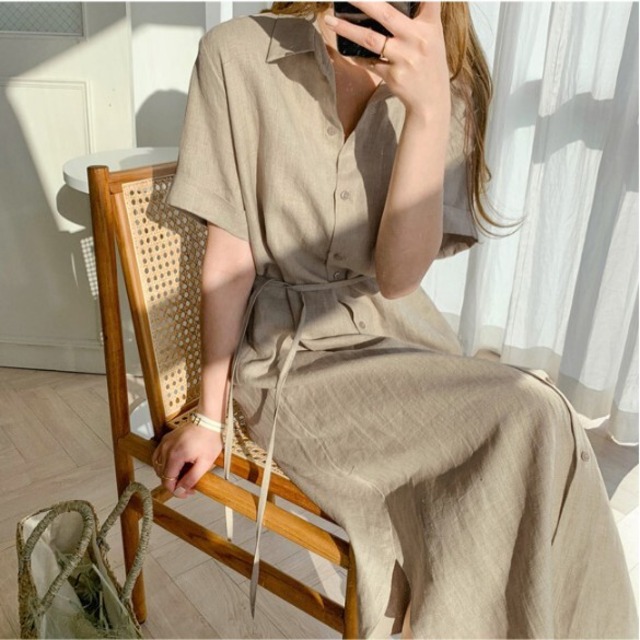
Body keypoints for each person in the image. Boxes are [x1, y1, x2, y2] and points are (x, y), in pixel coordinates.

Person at [151, 2, 639, 638]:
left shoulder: (449, 74)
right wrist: (210, 418)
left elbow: (399, 277)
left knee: (535, 433)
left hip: (402, 334)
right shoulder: (237, 52)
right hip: (292, 356)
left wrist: (429, 112)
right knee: (533, 418)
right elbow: (230, 260)